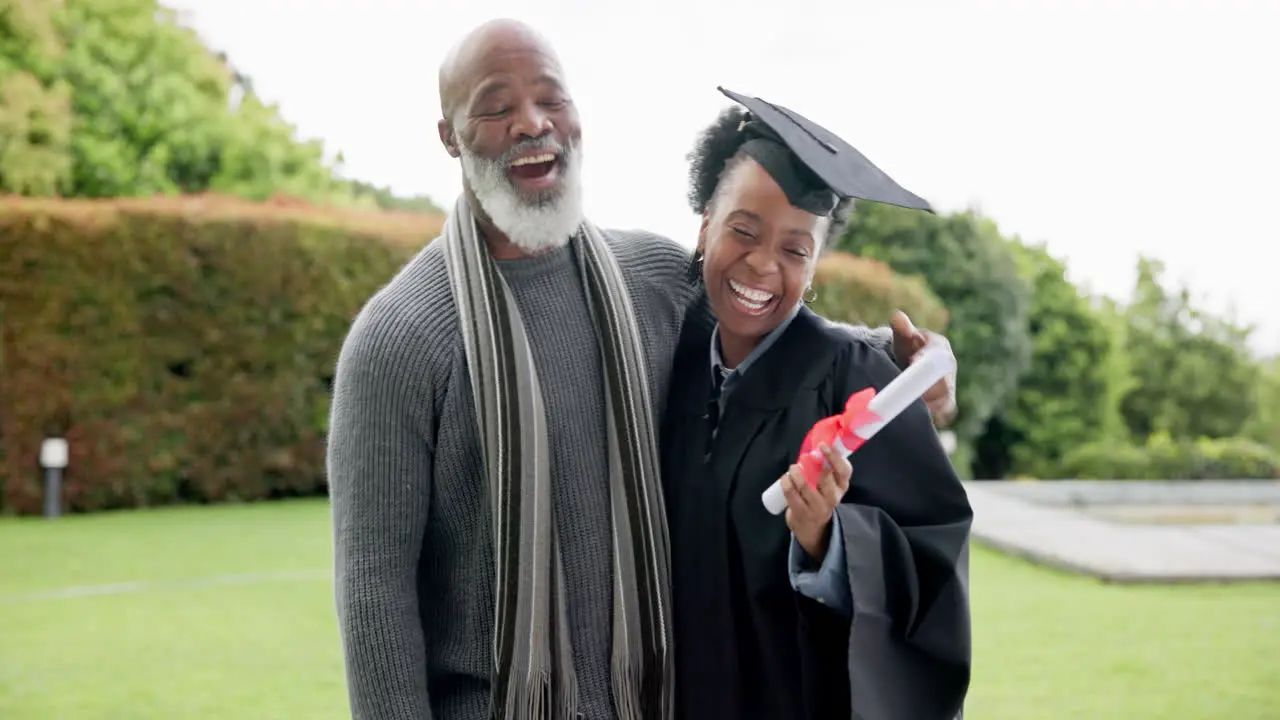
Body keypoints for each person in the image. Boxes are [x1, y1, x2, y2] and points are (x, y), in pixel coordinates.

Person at [326, 18, 960, 720]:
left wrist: (899, 358)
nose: (531, 123)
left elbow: (765, 321)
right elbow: (374, 594)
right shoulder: (400, 340)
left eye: (550, 99)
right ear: (449, 136)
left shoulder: (647, 279)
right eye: (496, 107)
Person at [661, 88, 972, 720]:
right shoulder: (668, 355)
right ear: (704, 226)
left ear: (816, 265)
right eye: (743, 231)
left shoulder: (856, 381)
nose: (762, 265)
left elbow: (931, 564)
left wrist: (829, 542)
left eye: (795, 249)